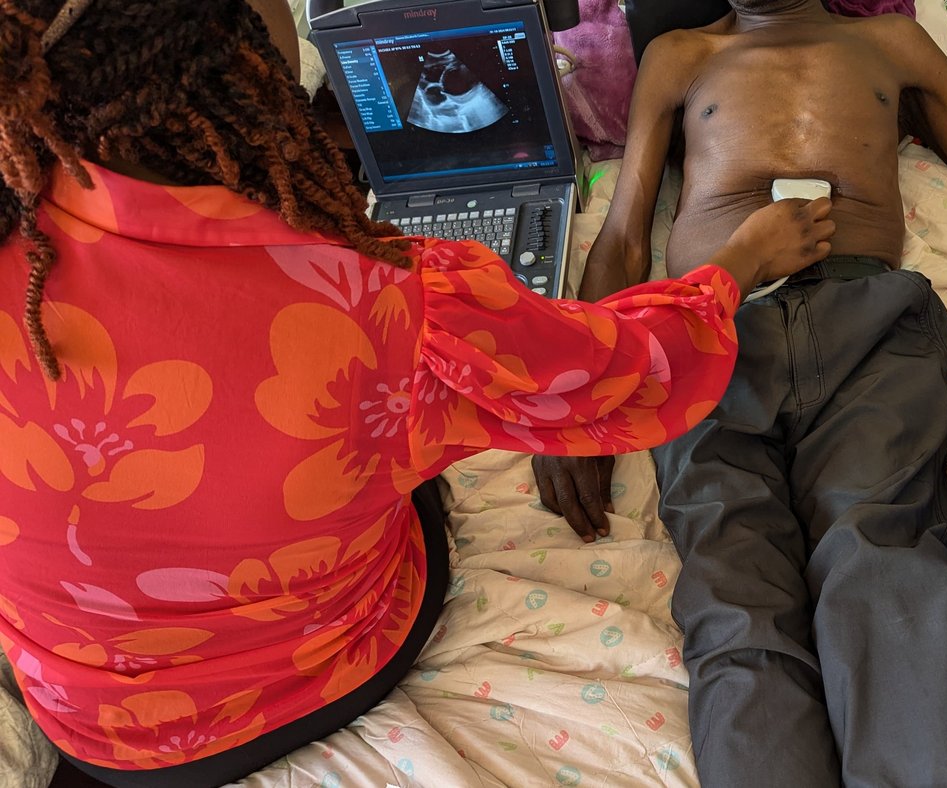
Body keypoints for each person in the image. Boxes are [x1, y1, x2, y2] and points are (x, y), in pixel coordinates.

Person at [0, 0, 836, 785]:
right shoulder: (386, 301)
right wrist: (736, 265)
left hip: (87, 725)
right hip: (306, 680)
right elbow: (624, 375)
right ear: (232, 50)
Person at [532, 1, 947, 785]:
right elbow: (622, 237)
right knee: (732, 585)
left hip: (868, 326)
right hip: (711, 331)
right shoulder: (679, 55)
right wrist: (576, 401)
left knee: (883, 563)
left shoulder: (890, 43)